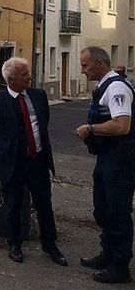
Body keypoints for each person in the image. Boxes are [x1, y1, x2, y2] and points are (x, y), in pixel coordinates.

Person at [0, 57, 67, 267]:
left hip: (37, 161)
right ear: (11, 79)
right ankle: (14, 244)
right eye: (24, 75)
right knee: (13, 204)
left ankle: (50, 245)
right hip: (13, 163)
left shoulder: (38, 96)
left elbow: (42, 122)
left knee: (44, 204)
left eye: (28, 73)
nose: (29, 77)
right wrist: (11, 147)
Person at [76, 46, 135, 284]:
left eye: (85, 65)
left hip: (120, 158)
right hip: (108, 157)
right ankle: (108, 253)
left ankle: (120, 267)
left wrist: (90, 129)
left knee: (117, 211)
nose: (82, 70)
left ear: (100, 63)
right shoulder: (107, 85)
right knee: (102, 208)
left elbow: (122, 126)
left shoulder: (117, 87)